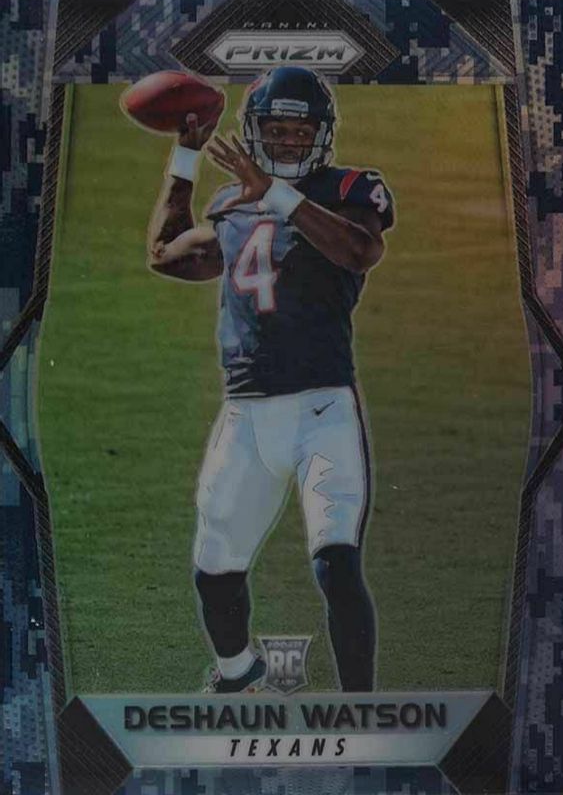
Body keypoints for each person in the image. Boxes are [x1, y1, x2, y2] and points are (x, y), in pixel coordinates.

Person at [147, 66, 394, 693]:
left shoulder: (349, 189)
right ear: (254, 131)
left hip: (322, 410)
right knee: (214, 564)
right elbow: (166, 255)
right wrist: (185, 155)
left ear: (322, 134)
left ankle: (361, 709)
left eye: (299, 131)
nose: (286, 141)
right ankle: (237, 674)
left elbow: (359, 252)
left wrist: (277, 193)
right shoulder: (231, 204)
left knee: (336, 562)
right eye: (276, 130)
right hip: (247, 413)